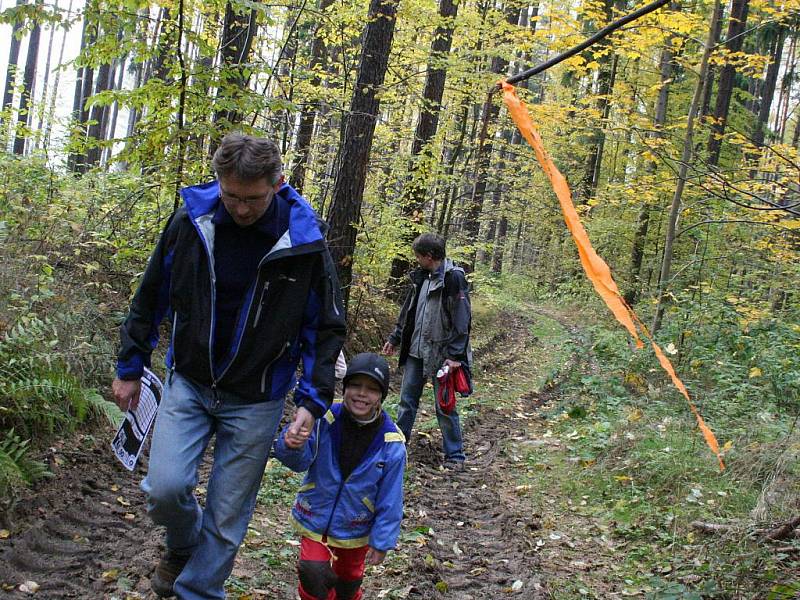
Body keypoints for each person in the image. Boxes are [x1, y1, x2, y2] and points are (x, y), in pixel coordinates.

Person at [111, 134, 346, 599]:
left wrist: (312, 401)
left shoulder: (303, 243)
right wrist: (130, 364)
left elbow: (324, 328)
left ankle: (196, 591)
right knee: (164, 487)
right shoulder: (191, 222)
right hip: (191, 383)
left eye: (252, 198)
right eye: (231, 196)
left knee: (227, 514)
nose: (241, 208)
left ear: (276, 184)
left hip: (257, 398)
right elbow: (152, 293)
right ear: (219, 182)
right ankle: (184, 542)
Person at [273, 352, 406, 600]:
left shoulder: (392, 443)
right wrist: (292, 444)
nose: (362, 394)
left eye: (372, 389)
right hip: (315, 514)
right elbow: (299, 461)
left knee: (348, 582)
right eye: (355, 385)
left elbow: (391, 498)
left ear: (382, 396)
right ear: (344, 387)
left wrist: (382, 540)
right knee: (312, 573)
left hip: (356, 526)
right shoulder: (324, 418)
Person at [382, 233, 472, 470]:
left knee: (445, 406)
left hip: (443, 355)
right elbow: (408, 311)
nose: (417, 260)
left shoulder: (454, 279)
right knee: (406, 403)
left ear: (429, 256)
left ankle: (455, 456)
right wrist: (395, 337)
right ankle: (397, 451)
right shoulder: (421, 277)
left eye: (419, 256)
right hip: (415, 352)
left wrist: (454, 356)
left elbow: (462, 321)